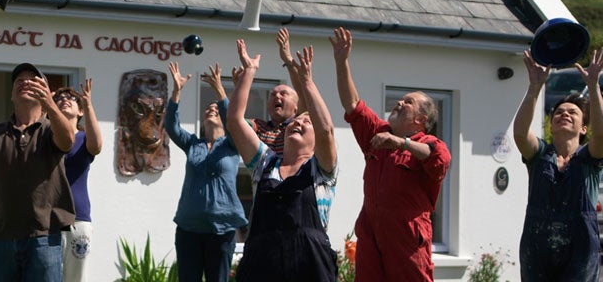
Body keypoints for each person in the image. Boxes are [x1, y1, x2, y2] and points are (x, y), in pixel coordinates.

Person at [330, 27, 450, 281]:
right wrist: (342, 62)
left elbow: (437, 158)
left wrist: (400, 143)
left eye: (408, 102)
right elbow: (352, 104)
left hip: (407, 239)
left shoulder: (428, 142)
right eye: (401, 99)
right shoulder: (379, 133)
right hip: (372, 235)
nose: (399, 102)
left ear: (421, 119)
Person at [227, 40, 338, 281]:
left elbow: (327, 130)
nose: (297, 123)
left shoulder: (322, 170)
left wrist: (307, 81)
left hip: (310, 267)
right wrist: (249, 72)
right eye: (295, 122)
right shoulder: (264, 163)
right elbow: (235, 120)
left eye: (306, 122)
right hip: (262, 265)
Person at [0, 63, 76, 282]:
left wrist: (50, 104)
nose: (24, 82)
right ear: (12, 95)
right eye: (19, 80)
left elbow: (67, 141)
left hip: (43, 238)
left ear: (43, 90)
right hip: (1, 239)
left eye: (32, 80)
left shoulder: (51, 128)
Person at [512, 47, 603, 281]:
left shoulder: (590, 158)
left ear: (584, 128)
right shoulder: (539, 154)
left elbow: (601, 136)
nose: (565, 114)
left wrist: (593, 86)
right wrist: (534, 87)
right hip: (537, 248)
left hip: (581, 251)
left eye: (573, 112)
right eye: (559, 112)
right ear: (551, 126)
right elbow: (521, 134)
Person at [165, 62, 245, 282]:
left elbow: (235, 123)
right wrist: (176, 92)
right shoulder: (193, 144)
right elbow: (172, 127)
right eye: (207, 108)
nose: (211, 110)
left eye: (216, 109)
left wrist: (220, 91)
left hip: (221, 230)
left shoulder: (232, 144)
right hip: (189, 228)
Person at [53, 79, 101, 282]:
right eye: (59, 98)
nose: (65, 100)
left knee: (75, 279)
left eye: (71, 98)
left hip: (78, 219)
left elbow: (97, 146)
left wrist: (88, 103)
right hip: (48, 218)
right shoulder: (46, 137)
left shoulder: (83, 138)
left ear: (80, 110)